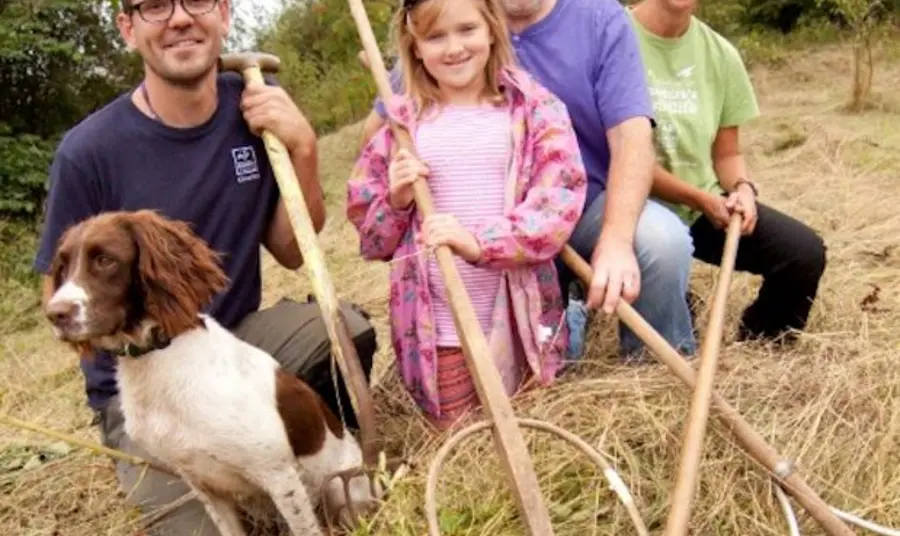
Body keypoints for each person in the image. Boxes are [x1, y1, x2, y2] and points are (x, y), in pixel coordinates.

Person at [32, 0, 378, 533]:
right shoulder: (88, 152)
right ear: (127, 28)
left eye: (196, 1)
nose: (178, 19)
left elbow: (292, 250)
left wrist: (302, 146)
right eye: (153, 6)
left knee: (344, 330)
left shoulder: (253, 107)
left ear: (224, 13)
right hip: (137, 371)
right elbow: (58, 287)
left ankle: (310, 457)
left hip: (229, 343)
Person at [359, 0, 701, 362]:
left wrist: (616, 240)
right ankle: (567, 315)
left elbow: (631, 135)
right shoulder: (458, 18)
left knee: (661, 242)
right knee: (546, 360)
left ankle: (653, 367)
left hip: (583, 208)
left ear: (490, 33)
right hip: (489, 225)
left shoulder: (600, 17)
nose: (453, 43)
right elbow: (384, 125)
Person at [346, 0, 587, 429]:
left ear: (492, 29)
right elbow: (372, 240)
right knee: (464, 447)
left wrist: (480, 242)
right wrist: (398, 201)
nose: (454, 47)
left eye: (467, 29)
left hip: (523, 323)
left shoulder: (534, 111)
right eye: (435, 36)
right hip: (440, 331)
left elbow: (558, 204)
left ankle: (576, 323)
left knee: (533, 435)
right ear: (414, 47)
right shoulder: (401, 129)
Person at [627, 0, 827, 343]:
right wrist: (701, 199)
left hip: (699, 206)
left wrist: (742, 188)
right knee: (673, 338)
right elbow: (622, 157)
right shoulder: (614, 36)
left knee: (803, 254)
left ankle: (762, 344)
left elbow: (727, 153)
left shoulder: (720, 54)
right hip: (630, 206)